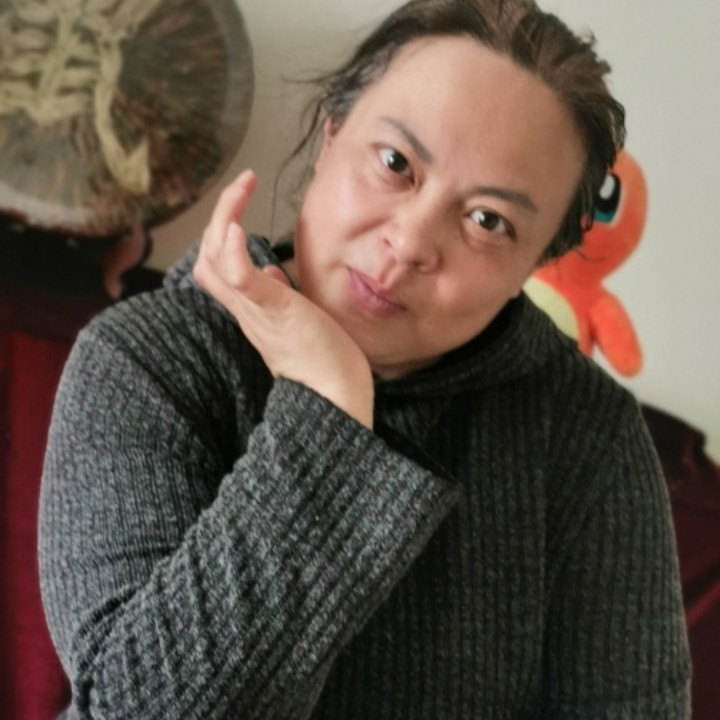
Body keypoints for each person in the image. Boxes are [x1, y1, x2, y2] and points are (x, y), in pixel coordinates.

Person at [38, 0, 691, 717]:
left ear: (533, 265)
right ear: (331, 134)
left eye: (488, 220)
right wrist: (329, 410)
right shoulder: (147, 362)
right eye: (396, 163)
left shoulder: (587, 434)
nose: (409, 243)